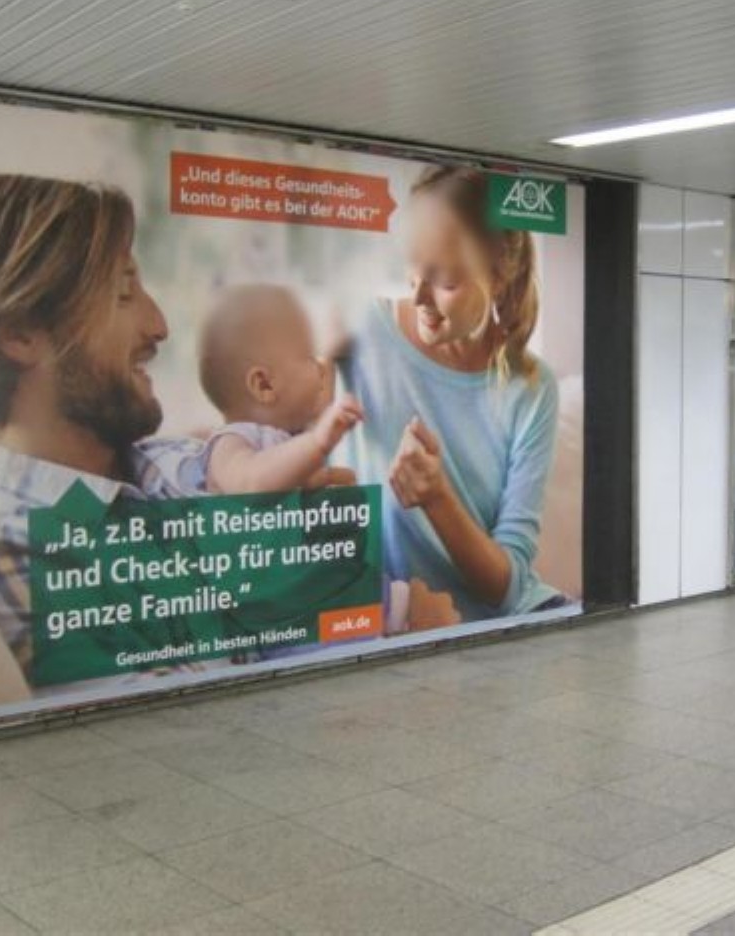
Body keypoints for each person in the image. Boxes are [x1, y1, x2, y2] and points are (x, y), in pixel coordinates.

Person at [0, 175, 197, 684]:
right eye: (123, 293)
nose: (158, 326)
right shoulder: (3, 540)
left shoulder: (172, 467)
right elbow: (162, 714)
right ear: (19, 333)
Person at [339, 164, 564, 621]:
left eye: (445, 281)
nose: (419, 296)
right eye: (412, 265)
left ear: (499, 276)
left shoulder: (532, 388)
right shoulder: (358, 330)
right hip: (394, 621)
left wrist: (437, 497)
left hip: (498, 623)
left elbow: (507, 589)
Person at [183, 283, 362, 495]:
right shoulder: (230, 443)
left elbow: (321, 408)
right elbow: (251, 484)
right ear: (264, 385)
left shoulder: (288, 431)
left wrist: (331, 354)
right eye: (308, 356)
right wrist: (316, 442)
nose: (320, 367)